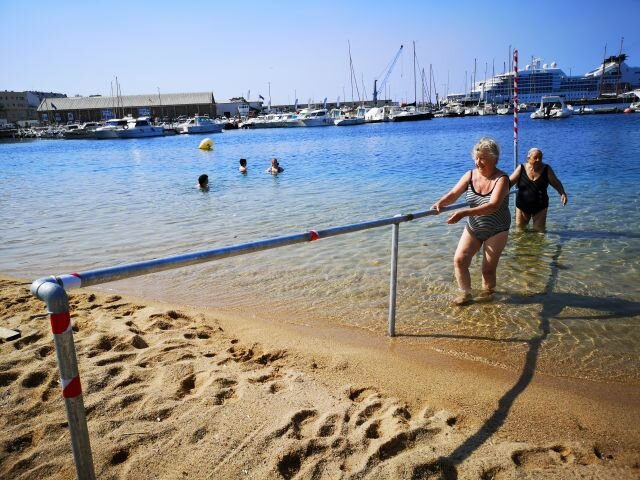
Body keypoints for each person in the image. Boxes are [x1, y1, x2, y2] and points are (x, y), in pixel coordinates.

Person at [431, 138, 511, 306]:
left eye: (482, 158)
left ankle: (488, 298)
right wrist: (441, 203)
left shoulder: (502, 179)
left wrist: (463, 213)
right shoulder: (470, 175)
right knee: (460, 260)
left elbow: (493, 206)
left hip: (497, 228)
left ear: (494, 159)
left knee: (487, 270)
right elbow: (454, 194)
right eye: (476, 158)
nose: (478, 162)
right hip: (474, 226)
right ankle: (465, 294)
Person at [509, 147, 567, 232]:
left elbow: (556, 183)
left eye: (540, 158)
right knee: (519, 232)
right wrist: (498, 194)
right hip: (522, 206)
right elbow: (508, 183)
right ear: (528, 158)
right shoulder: (521, 168)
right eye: (535, 158)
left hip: (540, 207)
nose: (538, 160)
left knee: (540, 233)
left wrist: (562, 193)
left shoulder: (546, 169)